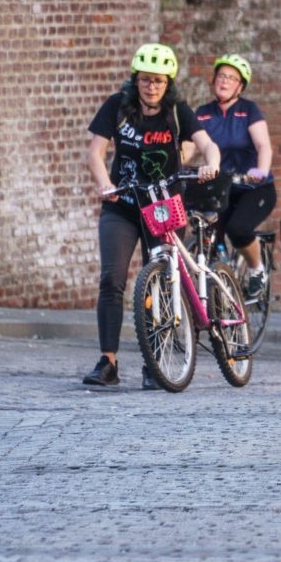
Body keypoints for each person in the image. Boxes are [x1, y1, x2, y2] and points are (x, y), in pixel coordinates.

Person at [85, 43, 220, 389]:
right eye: (145, 80)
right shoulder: (118, 106)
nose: (152, 87)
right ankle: (108, 362)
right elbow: (95, 152)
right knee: (111, 280)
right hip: (124, 203)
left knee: (161, 280)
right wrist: (105, 185)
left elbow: (207, 144)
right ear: (136, 80)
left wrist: (212, 164)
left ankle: (155, 361)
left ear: (168, 82)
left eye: (159, 81)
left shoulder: (177, 111)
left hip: (162, 204)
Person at [193, 54, 276, 298]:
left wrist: (260, 171)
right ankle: (216, 282)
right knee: (204, 227)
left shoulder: (248, 110)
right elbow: (190, 146)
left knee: (238, 229)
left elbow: (264, 146)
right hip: (223, 188)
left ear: (240, 86)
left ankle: (256, 269)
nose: (225, 81)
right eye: (221, 76)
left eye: (231, 78)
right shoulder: (203, 113)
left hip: (254, 188)